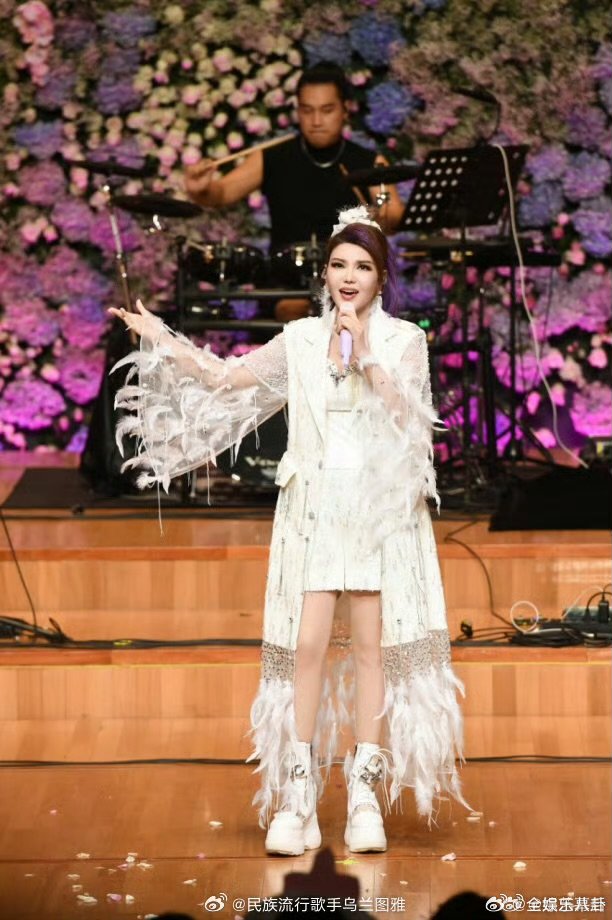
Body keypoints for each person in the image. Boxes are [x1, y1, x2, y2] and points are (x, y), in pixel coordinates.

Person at [109, 205, 471, 857]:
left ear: (381, 276)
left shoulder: (403, 341)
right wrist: (158, 335)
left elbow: (411, 424)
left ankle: (363, 795)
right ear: (324, 273)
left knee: (370, 648)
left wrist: (364, 353)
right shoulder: (300, 339)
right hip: (314, 507)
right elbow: (223, 378)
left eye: (362, 266)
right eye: (338, 265)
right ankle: (297, 796)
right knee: (306, 646)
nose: (348, 277)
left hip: (377, 510)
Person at [184, 62, 405, 321]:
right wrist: (200, 189)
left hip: (347, 280)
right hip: (284, 281)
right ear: (297, 111)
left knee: (348, 308)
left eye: (327, 110)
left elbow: (394, 216)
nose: (316, 121)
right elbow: (220, 193)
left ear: (345, 110)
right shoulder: (272, 156)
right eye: (307, 110)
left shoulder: (368, 162)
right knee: (295, 311)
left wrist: (382, 216)